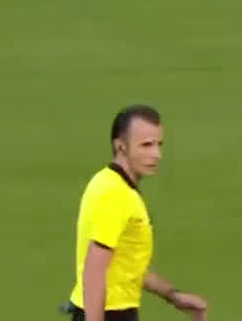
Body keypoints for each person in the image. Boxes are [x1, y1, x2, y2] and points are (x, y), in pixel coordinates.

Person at [66, 104, 209, 321]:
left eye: (159, 145)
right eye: (146, 145)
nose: (157, 154)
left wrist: (173, 295)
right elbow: (94, 273)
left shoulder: (109, 182)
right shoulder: (115, 195)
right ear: (120, 146)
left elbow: (126, 266)